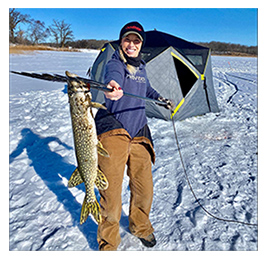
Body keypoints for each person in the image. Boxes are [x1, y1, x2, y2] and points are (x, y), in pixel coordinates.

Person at [95, 21, 174, 251]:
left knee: (144, 188)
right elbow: (113, 77)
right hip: (115, 132)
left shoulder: (142, 68)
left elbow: (146, 89)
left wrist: (160, 99)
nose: (131, 44)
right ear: (122, 42)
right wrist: (112, 86)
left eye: (136, 41)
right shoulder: (115, 63)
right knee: (111, 192)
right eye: (127, 40)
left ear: (141, 45)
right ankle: (109, 242)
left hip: (139, 132)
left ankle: (140, 226)